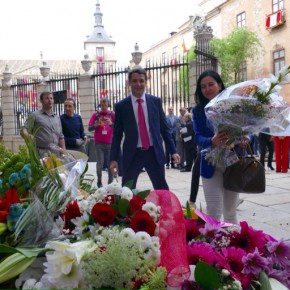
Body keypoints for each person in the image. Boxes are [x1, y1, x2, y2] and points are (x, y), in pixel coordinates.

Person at [109, 65, 180, 190]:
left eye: (141, 81)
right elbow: (117, 134)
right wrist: (113, 158)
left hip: (153, 152)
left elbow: (164, 129)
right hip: (132, 153)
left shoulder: (155, 101)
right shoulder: (121, 106)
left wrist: (173, 151)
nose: (138, 84)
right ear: (129, 83)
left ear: (145, 82)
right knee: (127, 191)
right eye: (135, 81)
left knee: (161, 189)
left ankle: (164, 210)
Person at [192, 70, 240, 224]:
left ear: (219, 85)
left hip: (233, 164)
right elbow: (198, 137)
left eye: (211, 84)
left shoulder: (234, 105)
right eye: (203, 86)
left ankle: (234, 245)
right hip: (210, 163)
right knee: (213, 210)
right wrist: (211, 141)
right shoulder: (198, 110)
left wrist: (247, 137)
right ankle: (213, 246)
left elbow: (247, 129)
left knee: (230, 212)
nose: (207, 89)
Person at [21, 91, 65, 156]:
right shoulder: (35, 115)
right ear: (41, 101)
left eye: (51, 98)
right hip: (41, 154)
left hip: (56, 153)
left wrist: (64, 152)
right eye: (47, 98)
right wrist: (28, 137)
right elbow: (24, 129)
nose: (49, 100)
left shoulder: (56, 117)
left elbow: (61, 137)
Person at [88, 98, 115, 188]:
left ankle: (110, 182)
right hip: (98, 143)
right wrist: (95, 125)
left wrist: (111, 123)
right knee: (100, 163)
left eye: (105, 105)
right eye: (102, 105)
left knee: (109, 163)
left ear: (108, 105)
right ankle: (99, 181)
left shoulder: (112, 114)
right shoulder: (96, 115)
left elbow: (118, 127)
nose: (104, 107)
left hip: (110, 143)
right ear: (100, 105)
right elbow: (89, 128)